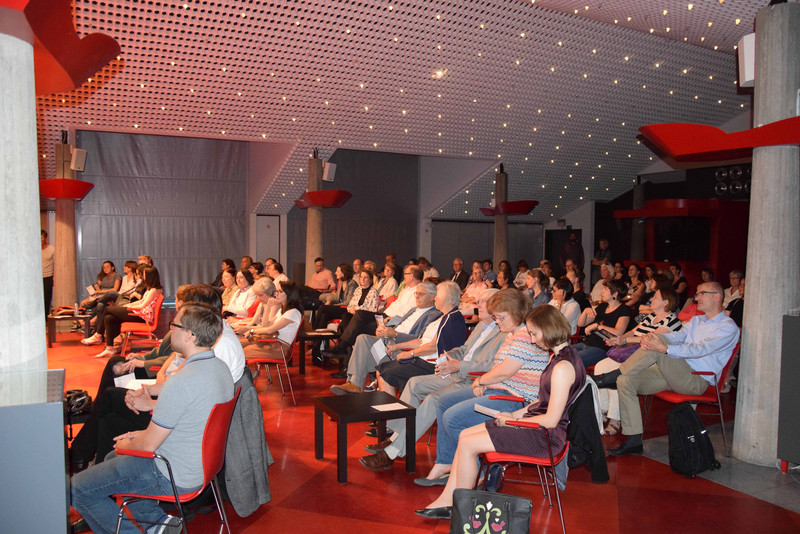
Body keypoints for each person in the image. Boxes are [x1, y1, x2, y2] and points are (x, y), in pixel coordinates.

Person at [71, 303, 234, 533]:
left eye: (174, 325)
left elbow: (148, 446)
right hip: (199, 465)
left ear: (190, 335)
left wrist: (130, 442)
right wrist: (138, 436)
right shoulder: (220, 369)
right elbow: (191, 422)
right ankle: (159, 526)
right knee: (111, 457)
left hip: (170, 473)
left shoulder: (181, 381)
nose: (171, 330)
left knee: (78, 488)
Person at [415, 305, 585, 520]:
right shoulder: (561, 358)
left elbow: (551, 419)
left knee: (468, 443)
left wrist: (516, 421)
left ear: (548, 328)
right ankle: (448, 499)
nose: (532, 340)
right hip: (536, 426)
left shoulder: (562, 367)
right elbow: (542, 403)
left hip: (544, 437)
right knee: (466, 435)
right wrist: (515, 415)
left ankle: (461, 506)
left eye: (533, 333)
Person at [358, 288, 505, 471]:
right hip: (454, 372)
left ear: (496, 306)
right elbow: (464, 349)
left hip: (471, 380)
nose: (477, 305)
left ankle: (392, 452)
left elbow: (493, 365)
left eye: (482, 301)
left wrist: (459, 365)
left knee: (433, 399)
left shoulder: (503, 332)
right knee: (414, 383)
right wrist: (449, 355)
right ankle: (395, 436)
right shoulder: (482, 326)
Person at [416, 290, 549, 486]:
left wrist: (481, 381)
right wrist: (487, 382)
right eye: (495, 317)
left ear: (515, 314)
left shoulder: (523, 335)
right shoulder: (513, 334)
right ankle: (445, 462)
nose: (497, 321)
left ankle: (475, 469)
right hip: (500, 389)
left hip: (515, 401)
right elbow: (502, 371)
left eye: (501, 317)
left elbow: (504, 371)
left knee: (452, 418)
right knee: (443, 402)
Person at [593, 282, 740, 456]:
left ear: (716, 296)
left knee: (660, 345)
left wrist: (664, 348)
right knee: (625, 381)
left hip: (696, 379)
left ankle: (611, 376)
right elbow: (677, 336)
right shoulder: (697, 320)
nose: (696, 298)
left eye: (701, 294)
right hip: (675, 372)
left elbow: (700, 350)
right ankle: (633, 440)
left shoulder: (727, 326)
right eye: (697, 294)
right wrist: (654, 338)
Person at [593, 287, 681, 435]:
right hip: (633, 354)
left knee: (616, 374)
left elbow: (649, 338)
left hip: (649, 360)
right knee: (601, 366)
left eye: (655, 298)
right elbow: (634, 331)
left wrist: (625, 340)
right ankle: (603, 408)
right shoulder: (651, 317)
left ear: (666, 302)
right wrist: (619, 339)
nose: (651, 300)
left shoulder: (672, 322)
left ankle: (616, 417)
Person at [329, 282, 442, 394]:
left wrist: (395, 335)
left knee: (363, 350)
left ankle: (355, 384)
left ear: (433, 296)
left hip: (400, 350)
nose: (417, 296)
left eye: (421, 294)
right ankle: (354, 384)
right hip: (387, 342)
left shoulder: (434, 315)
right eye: (416, 293)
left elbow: (419, 340)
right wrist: (384, 331)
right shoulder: (413, 309)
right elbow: (399, 326)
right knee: (362, 338)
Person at [376, 281, 466, 396]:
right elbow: (421, 340)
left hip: (432, 365)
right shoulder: (442, 317)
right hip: (421, 358)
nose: (435, 299)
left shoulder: (451, 318)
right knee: (382, 368)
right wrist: (396, 347)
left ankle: (393, 412)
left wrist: (410, 354)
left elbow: (434, 346)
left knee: (385, 371)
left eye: (437, 295)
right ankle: (395, 410)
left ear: (445, 298)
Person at [84, 266, 164, 359]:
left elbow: (142, 305)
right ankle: (109, 348)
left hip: (142, 317)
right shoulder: (150, 289)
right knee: (109, 317)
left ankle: (98, 335)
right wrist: (128, 306)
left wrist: (130, 307)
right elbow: (141, 301)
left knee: (108, 309)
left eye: (144, 275)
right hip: (139, 313)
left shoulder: (155, 290)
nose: (142, 277)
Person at [241, 281, 304, 368]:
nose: (276, 294)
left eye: (280, 291)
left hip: (278, 349)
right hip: (271, 343)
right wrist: (268, 307)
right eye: (276, 291)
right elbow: (265, 325)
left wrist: (252, 331)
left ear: (289, 294)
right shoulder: (282, 311)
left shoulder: (293, 312)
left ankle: (250, 376)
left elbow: (270, 330)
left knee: (241, 353)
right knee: (239, 345)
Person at [574, 278, 630, 367]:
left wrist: (598, 325)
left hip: (601, 348)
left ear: (615, 294)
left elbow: (619, 332)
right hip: (586, 343)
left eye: (606, 289)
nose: (602, 292)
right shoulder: (602, 306)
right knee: (560, 354)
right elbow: (581, 324)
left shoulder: (624, 310)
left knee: (571, 360)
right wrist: (585, 311)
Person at [42, 229, 55, 314]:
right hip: (37, 277)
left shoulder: (51, 249)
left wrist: (54, 277)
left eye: (42, 238)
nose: (40, 240)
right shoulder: (34, 249)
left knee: (47, 297)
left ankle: (46, 317)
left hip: (48, 276)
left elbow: (55, 263)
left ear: (45, 238)